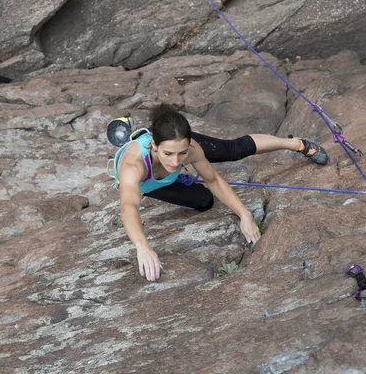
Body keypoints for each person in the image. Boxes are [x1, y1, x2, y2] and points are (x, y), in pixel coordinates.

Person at [115, 106, 328, 281]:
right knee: (203, 201)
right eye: (168, 154)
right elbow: (128, 206)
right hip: (149, 182)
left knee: (231, 150)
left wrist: (244, 214)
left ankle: (295, 143)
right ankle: (172, 176)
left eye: (182, 153)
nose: (175, 161)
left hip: (167, 167)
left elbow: (213, 179)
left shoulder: (191, 149)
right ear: (154, 144)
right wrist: (142, 246)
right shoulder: (134, 165)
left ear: (188, 145)